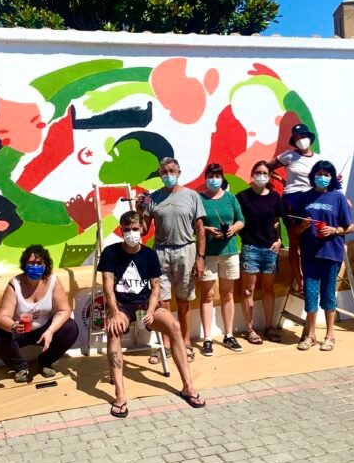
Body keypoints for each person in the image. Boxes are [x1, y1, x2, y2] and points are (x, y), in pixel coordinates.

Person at [98, 211, 205, 417]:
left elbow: (156, 287)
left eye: (135, 229)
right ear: (121, 230)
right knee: (113, 331)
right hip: (121, 305)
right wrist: (114, 313)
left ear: (142, 231)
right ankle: (120, 394)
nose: (131, 233)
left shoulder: (149, 254)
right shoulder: (110, 252)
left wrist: (149, 311)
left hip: (145, 304)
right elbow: (108, 287)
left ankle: (188, 386)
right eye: (127, 229)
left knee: (174, 326)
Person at [140, 157, 206, 364]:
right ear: (160, 175)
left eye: (171, 171)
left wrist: (201, 258)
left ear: (178, 172)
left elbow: (201, 229)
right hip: (160, 252)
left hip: (186, 250)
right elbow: (142, 230)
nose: (168, 175)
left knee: (184, 301)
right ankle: (166, 345)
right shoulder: (154, 198)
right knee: (162, 302)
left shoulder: (192, 196)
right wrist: (141, 208)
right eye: (163, 172)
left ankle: (185, 343)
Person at [0, 245, 79, 382]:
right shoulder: (15, 284)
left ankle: (45, 362)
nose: (35, 266)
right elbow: (1, 316)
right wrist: (13, 326)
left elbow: (64, 310)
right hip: (20, 329)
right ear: (25, 264)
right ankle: (20, 367)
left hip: (44, 328)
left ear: (45, 264)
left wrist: (50, 331)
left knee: (70, 328)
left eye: (38, 263)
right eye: (31, 263)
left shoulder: (53, 281)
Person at [292, 160, 354, 352]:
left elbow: (350, 227)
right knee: (310, 295)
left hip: (331, 253)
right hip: (310, 253)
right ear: (312, 176)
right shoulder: (304, 198)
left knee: (328, 295)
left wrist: (334, 230)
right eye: (319, 173)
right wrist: (302, 226)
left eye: (326, 174)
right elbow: (295, 228)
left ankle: (330, 335)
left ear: (332, 177)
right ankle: (310, 335)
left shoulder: (338, 198)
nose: (322, 177)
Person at [236, 161, 287, 345]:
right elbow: (237, 221)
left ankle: (269, 327)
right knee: (247, 290)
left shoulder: (274, 197)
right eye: (258, 172)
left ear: (269, 176)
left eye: (265, 173)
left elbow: (276, 221)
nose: (261, 175)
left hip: (270, 249)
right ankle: (250, 329)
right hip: (250, 249)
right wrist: (246, 237)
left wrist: (279, 240)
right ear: (252, 173)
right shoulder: (242, 197)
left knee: (268, 288)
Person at [197, 163, 245, 356]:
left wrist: (233, 229)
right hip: (208, 253)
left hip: (230, 252)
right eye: (211, 175)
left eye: (217, 175)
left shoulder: (230, 197)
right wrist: (208, 230)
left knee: (227, 295)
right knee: (207, 296)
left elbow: (241, 219)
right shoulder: (199, 199)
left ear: (222, 178)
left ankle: (228, 334)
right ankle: (208, 338)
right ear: (206, 177)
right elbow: (195, 225)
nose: (214, 179)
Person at [269, 124, 321, 291]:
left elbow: (326, 177)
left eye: (302, 136)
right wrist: (282, 181)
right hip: (292, 199)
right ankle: (300, 281)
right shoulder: (288, 156)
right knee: (295, 240)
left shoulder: (319, 159)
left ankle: (312, 276)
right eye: (297, 138)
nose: (301, 140)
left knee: (312, 238)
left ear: (309, 138)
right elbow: (267, 168)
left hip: (312, 199)